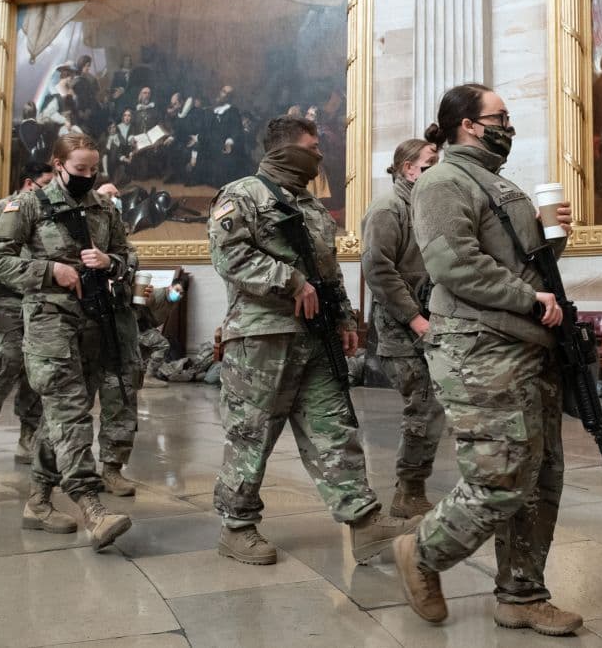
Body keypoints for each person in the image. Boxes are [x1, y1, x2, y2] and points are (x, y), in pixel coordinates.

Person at [392, 84, 582, 635]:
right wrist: (530, 300)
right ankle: (423, 552)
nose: (509, 124)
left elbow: (527, 268)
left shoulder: (500, 184)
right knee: (500, 476)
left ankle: (522, 593)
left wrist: (553, 236)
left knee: (540, 476)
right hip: (481, 349)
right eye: (500, 116)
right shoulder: (443, 182)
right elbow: (455, 265)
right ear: (470, 125)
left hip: (526, 347)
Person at [208, 115, 419, 566]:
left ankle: (364, 525)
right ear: (284, 148)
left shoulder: (312, 205)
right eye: (312, 146)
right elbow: (229, 257)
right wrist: (291, 281)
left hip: (314, 337)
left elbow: (328, 271)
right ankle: (237, 526)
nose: (320, 154)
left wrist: (344, 317)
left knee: (334, 429)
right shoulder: (242, 195)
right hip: (262, 337)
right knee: (252, 433)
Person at [0, 133, 136, 546]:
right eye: (79, 170)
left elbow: (130, 256)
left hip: (94, 326)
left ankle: (37, 502)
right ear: (57, 164)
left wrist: (112, 262)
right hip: (50, 327)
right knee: (70, 413)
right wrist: (51, 271)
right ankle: (92, 508)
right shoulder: (29, 205)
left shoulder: (104, 207)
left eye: (93, 170)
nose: (87, 177)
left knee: (63, 419)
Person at [361, 139, 445, 518]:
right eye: (430, 164)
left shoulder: (427, 205)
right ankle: (408, 491)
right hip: (400, 327)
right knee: (424, 403)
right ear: (408, 168)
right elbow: (378, 269)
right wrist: (414, 317)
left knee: (431, 405)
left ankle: (412, 487)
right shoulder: (388, 209)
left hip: (429, 321)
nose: (436, 169)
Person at [0, 162, 55, 467]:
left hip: (42, 300)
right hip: (4, 299)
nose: (52, 190)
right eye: (46, 184)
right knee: (4, 359)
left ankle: (28, 435)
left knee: (37, 368)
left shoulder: (53, 214)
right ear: (29, 184)